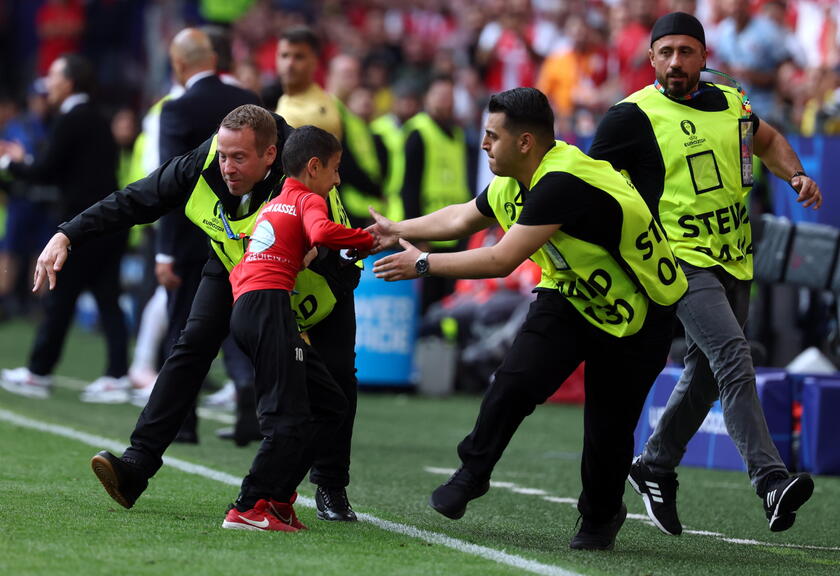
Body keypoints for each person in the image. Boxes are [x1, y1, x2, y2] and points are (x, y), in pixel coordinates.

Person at [368, 87, 688, 551]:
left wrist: (423, 263)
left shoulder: (561, 181)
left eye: (491, 136)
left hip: (641, 312)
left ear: (524, 143)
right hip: (574, 294)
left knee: (607, 427)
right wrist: (399, 228)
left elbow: (501, 260)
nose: (483, 145)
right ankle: (472, 474)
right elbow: (463, 218)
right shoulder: (517, 176)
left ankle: (600, 518)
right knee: (513, 381)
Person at [31, 104, 360, 522]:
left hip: (319, 283)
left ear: (271, 156)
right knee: (190, 346)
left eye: (239, 158)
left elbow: (339, 246)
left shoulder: (304, 178)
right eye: (224, 155)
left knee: (334, 383)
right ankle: (137, 466)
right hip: (234, 266)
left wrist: (314, 254)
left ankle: (330, 486)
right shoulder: (203, 163)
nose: (227, 167)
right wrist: (67, 234)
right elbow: (136, 199)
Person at [587, 11, 821, 536]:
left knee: (707, 373)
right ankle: (770, 481)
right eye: (665, 51)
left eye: (685, 51)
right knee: (735, 354)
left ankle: (653, 464)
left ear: (702, 56)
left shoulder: (731, 102)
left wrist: (797, 174)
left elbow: (767, 140)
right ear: (651, 58)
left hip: (735, 255)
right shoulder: (631, 116)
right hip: (678, 261)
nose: (675, 61)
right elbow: (584, 182)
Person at [223, 125, 373, 531]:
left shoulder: (276, 203)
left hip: (253, 307)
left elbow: (245, 265)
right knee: (288, 418)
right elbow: (324, 234)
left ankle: (277, 498)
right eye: (336, 169)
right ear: (313, 166)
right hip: (268, 308)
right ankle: (248, 507)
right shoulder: (308, 199)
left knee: (330, 404)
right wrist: (367, 240)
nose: (338, 179)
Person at [153, 27, 261, 442]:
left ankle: (183, 423)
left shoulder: (176, 108)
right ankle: (245, 386)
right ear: (214, 59)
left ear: (180, 65)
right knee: (233, 319)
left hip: (189, 234)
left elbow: (169, 184)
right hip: (240, 235)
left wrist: (164, 252)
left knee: (185, 329)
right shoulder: (248, 104)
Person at [0, 53, 128, 398]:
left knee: (62, 297)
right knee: (106, 299)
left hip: (85, 226)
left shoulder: (74, 116)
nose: (48, 86)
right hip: (107, 224)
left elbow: (46, 169)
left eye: (53, 78)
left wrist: (10, 163)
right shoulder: (94, 116)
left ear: (69, 82)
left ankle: (39, 372)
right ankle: (117, 375)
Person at [400, 74, 472, 314]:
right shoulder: (418, 132)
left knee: (451, 296)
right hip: (429, 231)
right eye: (440, 96)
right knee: (427, 298)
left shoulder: (458, 134)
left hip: (456, 228)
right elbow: (408, 186)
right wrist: (416, 234)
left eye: (450, 97)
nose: (445, 102)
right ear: (426, 98)